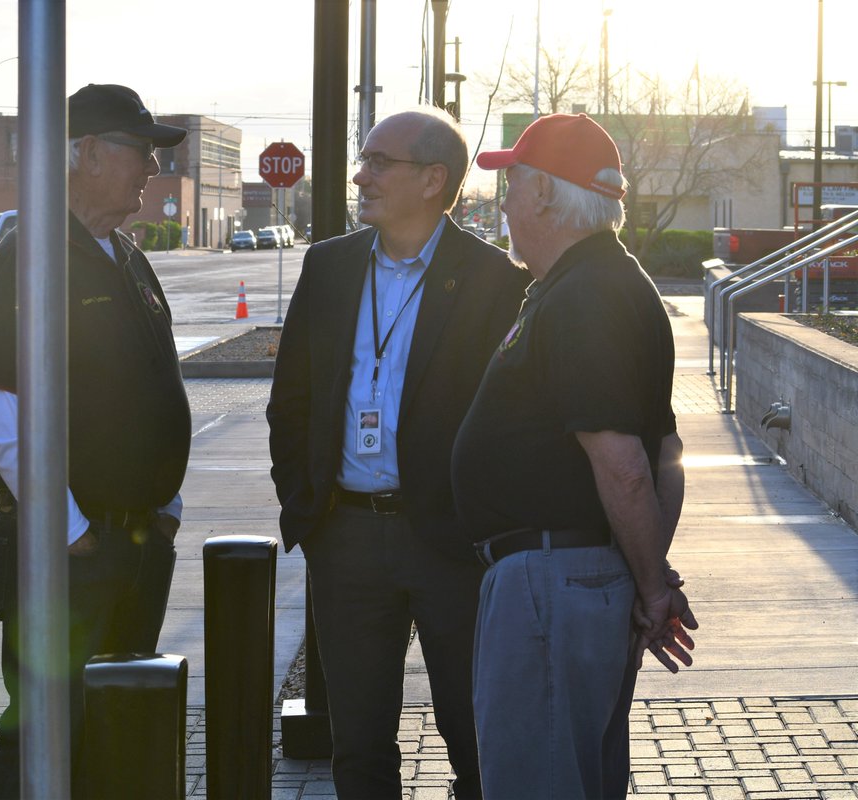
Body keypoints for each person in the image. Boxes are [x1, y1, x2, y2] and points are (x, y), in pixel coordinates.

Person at [267, 106, 531, 799]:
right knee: (358, 748)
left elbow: (514, 427)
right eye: (365, 160)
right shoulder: (328, 267)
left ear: (433, 179)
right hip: (345, 539)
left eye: (380, 162)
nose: (361, 175)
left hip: (452, 549)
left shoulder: (495, 282)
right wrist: (308, 511)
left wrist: (485, 532)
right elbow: (289, 401)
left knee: (476, 739)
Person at [451, 113, 699, 798]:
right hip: (568, 581)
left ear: (546, 196)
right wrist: (646, 576)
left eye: (513, 185)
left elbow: (625, 463)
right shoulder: (601, 284)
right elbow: (667, 455)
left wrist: (651, 586)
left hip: (548, 588)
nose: (503, 202)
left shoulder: (587, 295)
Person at [0, 83, 191, 799]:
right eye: (141, 151)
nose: (152, 169)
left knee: (116, 733)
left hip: (133, 543)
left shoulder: (123, 255)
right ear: (87, 153)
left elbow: (152, 386)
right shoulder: (29, 259)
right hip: (72, 554)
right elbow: (0, 413)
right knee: (45, 737)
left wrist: (166, 503)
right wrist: (67, 531)